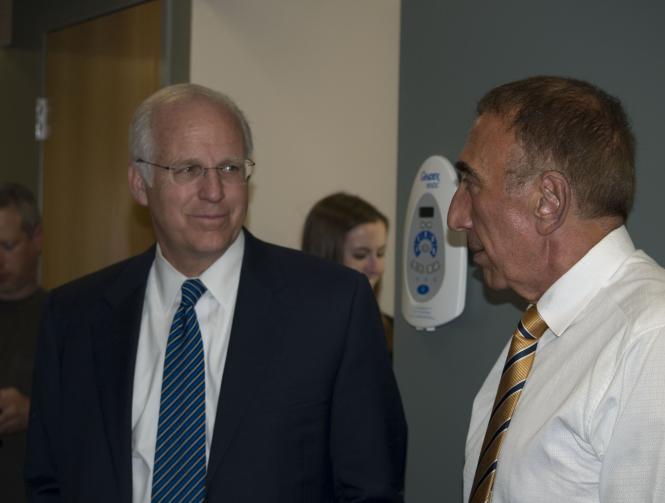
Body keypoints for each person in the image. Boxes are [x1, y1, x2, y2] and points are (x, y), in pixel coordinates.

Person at [26, 83, 407, 502]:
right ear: (140, 183)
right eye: (188, 169)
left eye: (229, 168)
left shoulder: (333, 306)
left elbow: (371, 488)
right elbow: (49, 482)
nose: (214, 192)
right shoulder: (73, 317)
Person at [448, 76, 665, 503]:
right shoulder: (538, 337)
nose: (457, 216)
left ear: (548, 201)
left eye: (471, 184)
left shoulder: (653, 337)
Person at [302, 192, 394, 356]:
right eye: (360, 255)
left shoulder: (393, 331)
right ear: (326, 258)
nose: (377, 267)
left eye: (380, 253)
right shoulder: (300, 333)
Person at [0, 182, 45, 503]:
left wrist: (30, 411)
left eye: (7, 246)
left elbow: (87, 419)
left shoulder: (65, 318)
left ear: (36, 239)